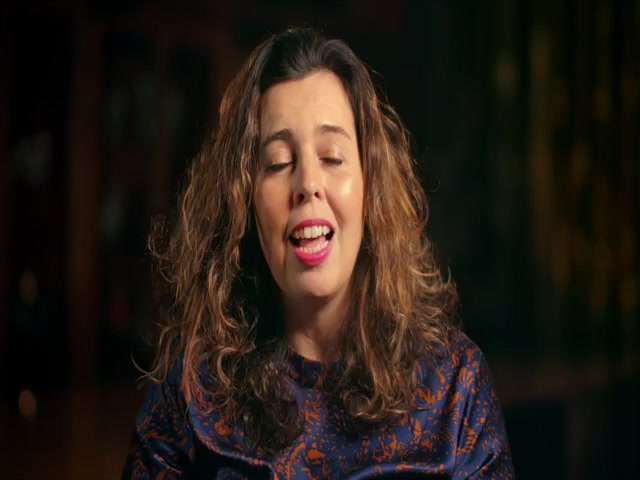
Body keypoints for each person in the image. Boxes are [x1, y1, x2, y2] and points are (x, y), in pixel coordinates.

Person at [122, 27, 514, 479]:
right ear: (245, 201)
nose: (307, 183)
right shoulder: (192, 394)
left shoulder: (455, 388)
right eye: (278, 163)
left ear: (370, 185)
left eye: (331, 157)